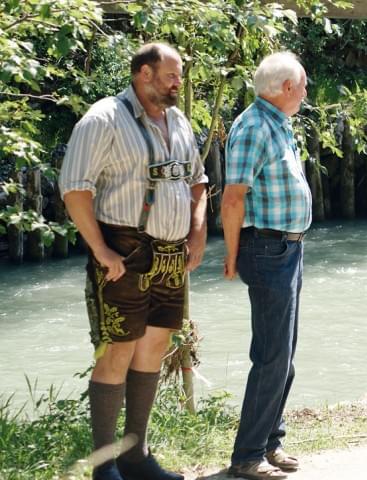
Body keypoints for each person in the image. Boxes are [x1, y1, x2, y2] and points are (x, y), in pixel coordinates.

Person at [59, 42, 208, 480]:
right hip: (123, 252)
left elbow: (199, 181)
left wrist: (198, 233)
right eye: (171, 75)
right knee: (117, 352)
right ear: (144, 73)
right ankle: (103, 466)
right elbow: (74, 188)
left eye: (179, 75)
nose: (178, 82)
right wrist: (101, 250)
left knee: (154, 349)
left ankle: (135, 457)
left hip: (170, 255)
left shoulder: (178, 120)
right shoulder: (103, 118)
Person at [221, 51, 310, 480]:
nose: (307, 92)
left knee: (285, 355)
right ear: (286, 88)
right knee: (271, 355)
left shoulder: (278, 122)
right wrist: (233, 254)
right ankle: (247, 455)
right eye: (304, 85)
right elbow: (233, 196)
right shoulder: (254, 126)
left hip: (288, 248)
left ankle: (270, 441)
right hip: (267, 249)